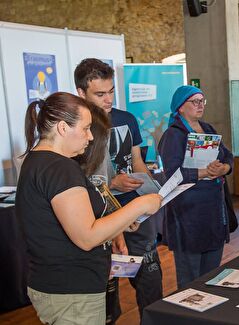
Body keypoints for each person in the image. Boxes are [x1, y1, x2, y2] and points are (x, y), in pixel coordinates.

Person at [16, 92, 161, 325]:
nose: (90, 137)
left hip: (63, 287)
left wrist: (120, 223)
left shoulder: (39, 161)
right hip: (71, 291)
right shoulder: (60, 168)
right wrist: (139, 204)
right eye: (85, 128)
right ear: (62, 128)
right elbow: (86, 236)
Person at [74, 58, 163, 323]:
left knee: (150, 275)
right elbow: (74, 179)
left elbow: (136, 160)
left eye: (111, 91)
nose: (108, 99)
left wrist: (149, 187)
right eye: (100, 94)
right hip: (97, 215)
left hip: (135, 210)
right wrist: (112, 183)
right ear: (81, 93)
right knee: (107, 284)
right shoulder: (77, 128)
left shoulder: (127, 119)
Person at [158, 85, 233, 288]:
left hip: (213, 212)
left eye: (202, 101)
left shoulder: (208, 129)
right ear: (180, 107)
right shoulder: (173, 135)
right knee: (190, 279)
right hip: (187, 215)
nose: (200, 105)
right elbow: (173, 173)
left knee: (212, 275)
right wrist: (205, 172)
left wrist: (223, 168)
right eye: (195, 101)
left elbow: (228, 156)